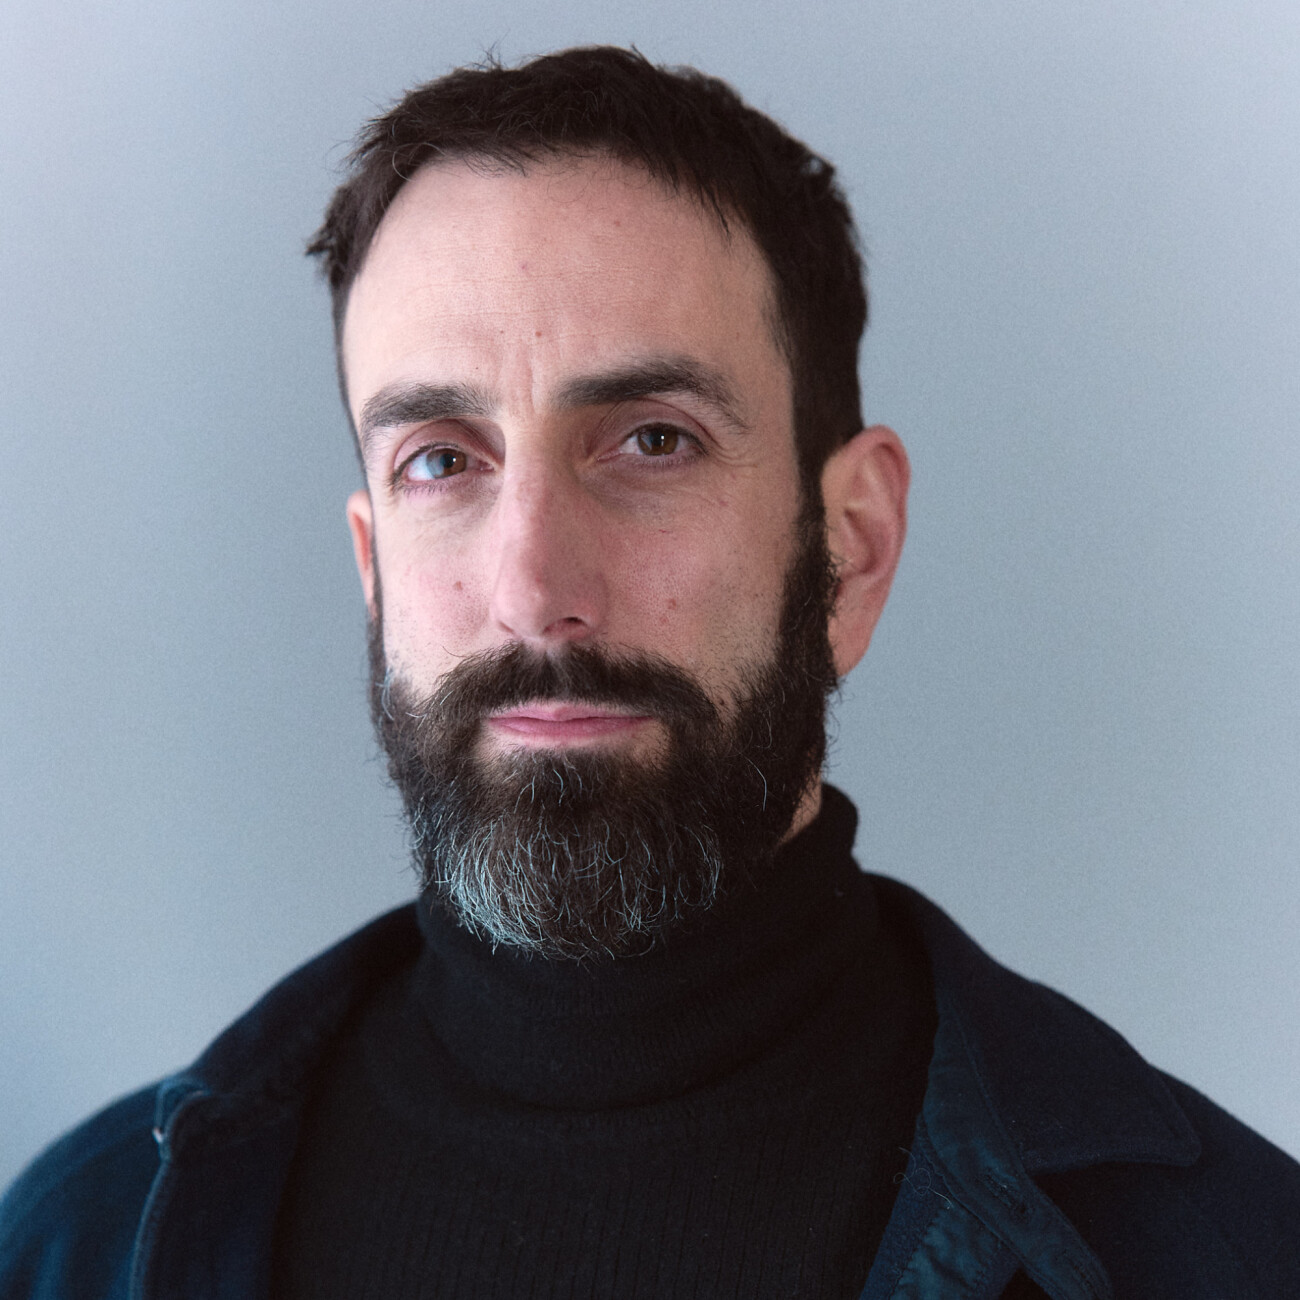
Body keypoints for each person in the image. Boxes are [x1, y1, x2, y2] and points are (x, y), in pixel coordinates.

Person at [1, 45, 1297, 1300]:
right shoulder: (68, 1250)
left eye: (653, 441)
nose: (533, 592)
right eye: (440, 461)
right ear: (373, 569)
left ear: (852, 546)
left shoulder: (1235, 1256)